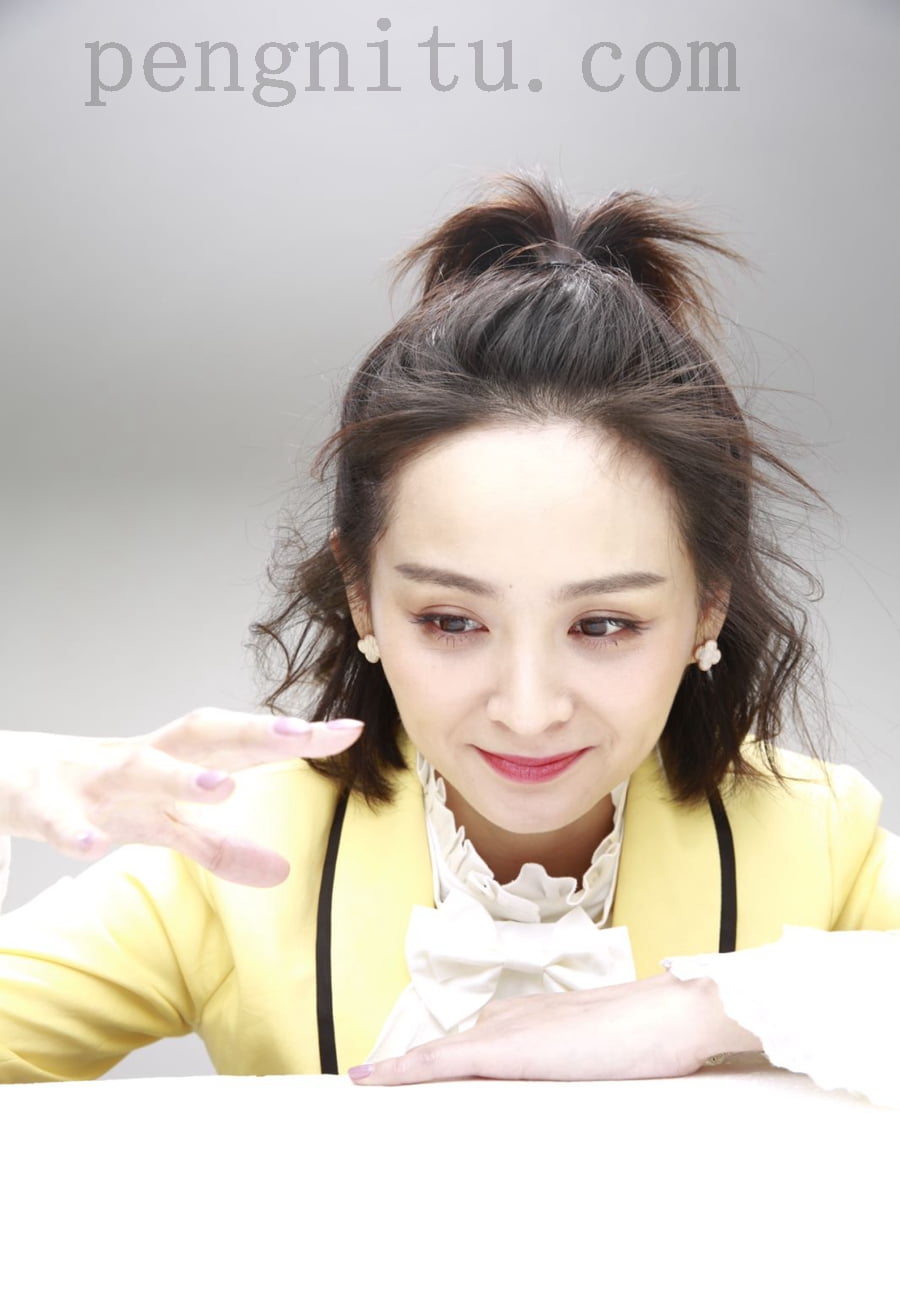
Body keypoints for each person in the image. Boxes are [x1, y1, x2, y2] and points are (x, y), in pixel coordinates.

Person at [1, 171, 897, 1105]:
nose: (528, 710)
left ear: (708, 605)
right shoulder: (238, 856)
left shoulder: (814, 837)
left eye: (603, 624)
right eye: (452, 621)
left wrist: (715, 1006)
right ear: (361, 596)